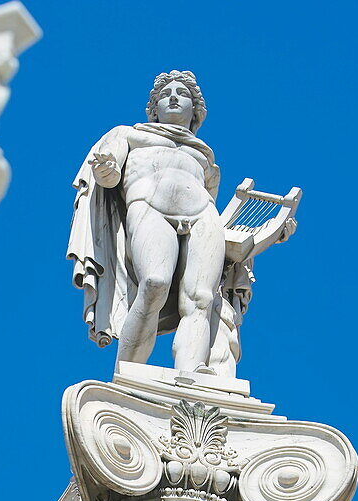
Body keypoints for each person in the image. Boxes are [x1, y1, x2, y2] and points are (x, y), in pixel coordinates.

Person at [68, 70, 249, 374]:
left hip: (203, 215)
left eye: (183, 94)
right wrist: (105, 170)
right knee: (155, 283)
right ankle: (128, 374)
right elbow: (110, 178)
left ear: (196, 110)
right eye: (166, 94)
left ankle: (191, 377)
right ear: (154, 109)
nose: (174, 97)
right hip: (150, 209)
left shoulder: (205, 156)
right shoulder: (129, 134)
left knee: (201, 298)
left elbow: (214, 203)